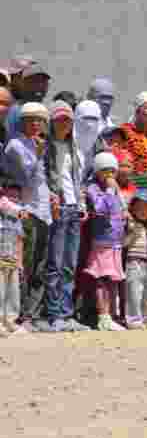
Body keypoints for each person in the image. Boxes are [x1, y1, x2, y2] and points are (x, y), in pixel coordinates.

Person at [0, 102, 51, 331]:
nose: (36, 123)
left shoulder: (36, 143)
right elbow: (24, 178)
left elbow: (41, 179)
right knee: (23, 267)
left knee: (39, 265)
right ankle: (17, 317)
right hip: (25, 211)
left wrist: (52, 197)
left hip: (43, 211)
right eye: (31, 119)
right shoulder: (15, 145)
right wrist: (38, 154)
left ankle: (31, 314)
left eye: (40, 120)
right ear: (22, 122)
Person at [42, 101, 90, 331]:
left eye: (68, 120)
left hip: (73, 208)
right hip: (57, 208)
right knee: (55, 263)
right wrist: (52, 198)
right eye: (60, 120)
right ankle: (53, 314)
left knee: (70, 264)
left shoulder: (75, 148)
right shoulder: (46, 147)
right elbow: (44, 178)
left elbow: (77, 180)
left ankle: (67, 312)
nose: (64, 124)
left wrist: (81, 203)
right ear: (52, 122)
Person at [83, 152, 128, 331]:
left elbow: (121, 209)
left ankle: (111, 314)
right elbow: (101, 208)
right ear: (97, 172)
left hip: (115, 241)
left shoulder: (114, 187)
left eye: (112, 171)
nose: (109, 175)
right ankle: (102, 316)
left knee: (113, 279)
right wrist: (110, 190)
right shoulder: (93, 188)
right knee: (101, 278)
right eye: (105, 171)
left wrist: (116, 192)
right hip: (102, 241)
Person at [122, 190, 147, 329]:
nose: (144, 210)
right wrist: (133, 232)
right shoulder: (130, 223)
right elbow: (124, 244)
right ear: (132, 208)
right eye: (140, 207)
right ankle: (133, 319)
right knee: (134, 291)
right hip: (134, 261)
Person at [0, 185, 26, 335]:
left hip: (13, 260)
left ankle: (10, 321)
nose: (14, 201)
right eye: (11, 197)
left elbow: (19, 240)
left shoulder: (17, 221)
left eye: (17, 198)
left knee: (13, 292)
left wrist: (20, 262)